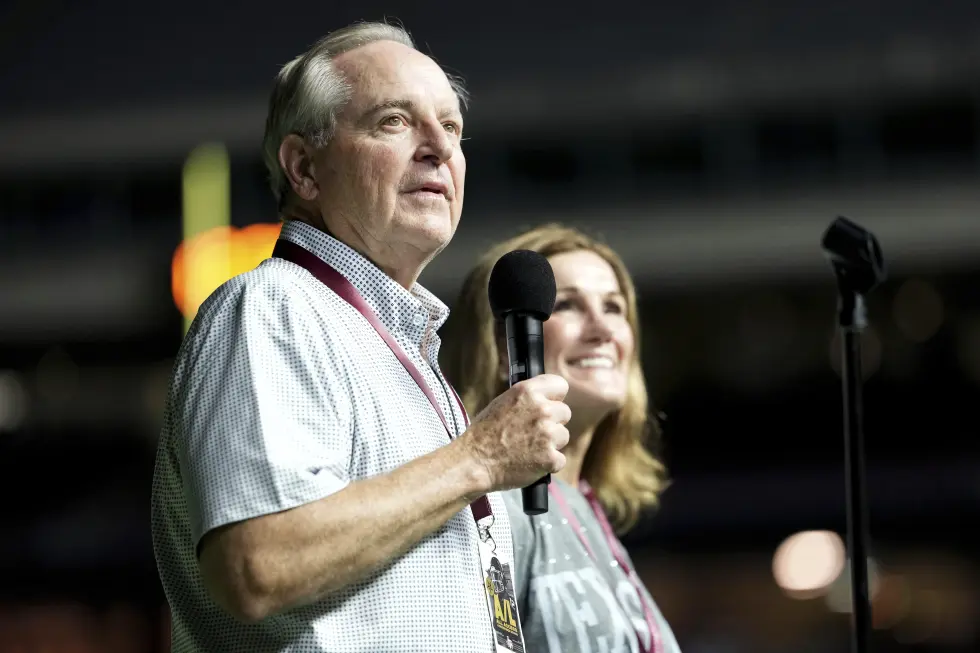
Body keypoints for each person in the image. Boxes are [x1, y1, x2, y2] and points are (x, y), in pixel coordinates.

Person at [150, 22, 572, 653]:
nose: (439, 148)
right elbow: (256, 564)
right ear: (304, 168)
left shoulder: (393, 345)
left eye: (451, 127)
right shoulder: (272, 309)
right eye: (394, 122)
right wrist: (480, 458)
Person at [443, 223, 683, 653]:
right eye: (567, 305)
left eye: (614, 307)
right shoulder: (490, 505)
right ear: (504, 348)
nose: (602, 329)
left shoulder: (583, 507)